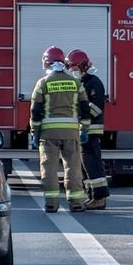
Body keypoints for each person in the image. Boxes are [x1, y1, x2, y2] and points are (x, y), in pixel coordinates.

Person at [30, 46, 91, 213]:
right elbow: (85, 108)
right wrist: (84, 129)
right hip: (71, 133)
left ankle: (51, 204)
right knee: (73, 167)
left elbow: (35, 111)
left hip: (48, 134)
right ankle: (76, 203)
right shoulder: (75, 82)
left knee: (48, 168)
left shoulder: (43, 83)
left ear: (47, 62)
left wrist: (34, 132)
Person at [65, 49, 109, 210]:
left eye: (74, 69)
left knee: (93, 164)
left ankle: (100, 198)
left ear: (82, 66)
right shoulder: (81, 83)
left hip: (91, 130)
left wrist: (79, 107)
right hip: (81, 130)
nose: (72, 72)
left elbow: (97, 109)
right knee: (85, 165)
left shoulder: (94, 83)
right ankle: (92, 196)